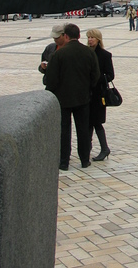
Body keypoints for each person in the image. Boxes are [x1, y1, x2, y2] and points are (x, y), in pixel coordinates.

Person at [44, 23, 100, 170]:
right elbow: (95, 76)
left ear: (66, 36)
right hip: (83, 98)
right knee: (83, 130)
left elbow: (51, 79)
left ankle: (64, 162)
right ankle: (84, 159)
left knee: (64, 131)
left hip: (63, 99)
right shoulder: (88, 53)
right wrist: (88, 88)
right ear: (79, 35)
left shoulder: (59, 54)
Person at [87, 29, 115, 161]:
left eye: (92, 37)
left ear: (98, 39)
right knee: (88, 122)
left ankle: (104, 148)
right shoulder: (85, 53)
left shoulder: (105, 55)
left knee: (96, 122)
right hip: (86, 93)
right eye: (88, 37)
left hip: (99, 94)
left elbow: (110, 75)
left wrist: (97, 78)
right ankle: (87, 147)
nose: (90, 39)